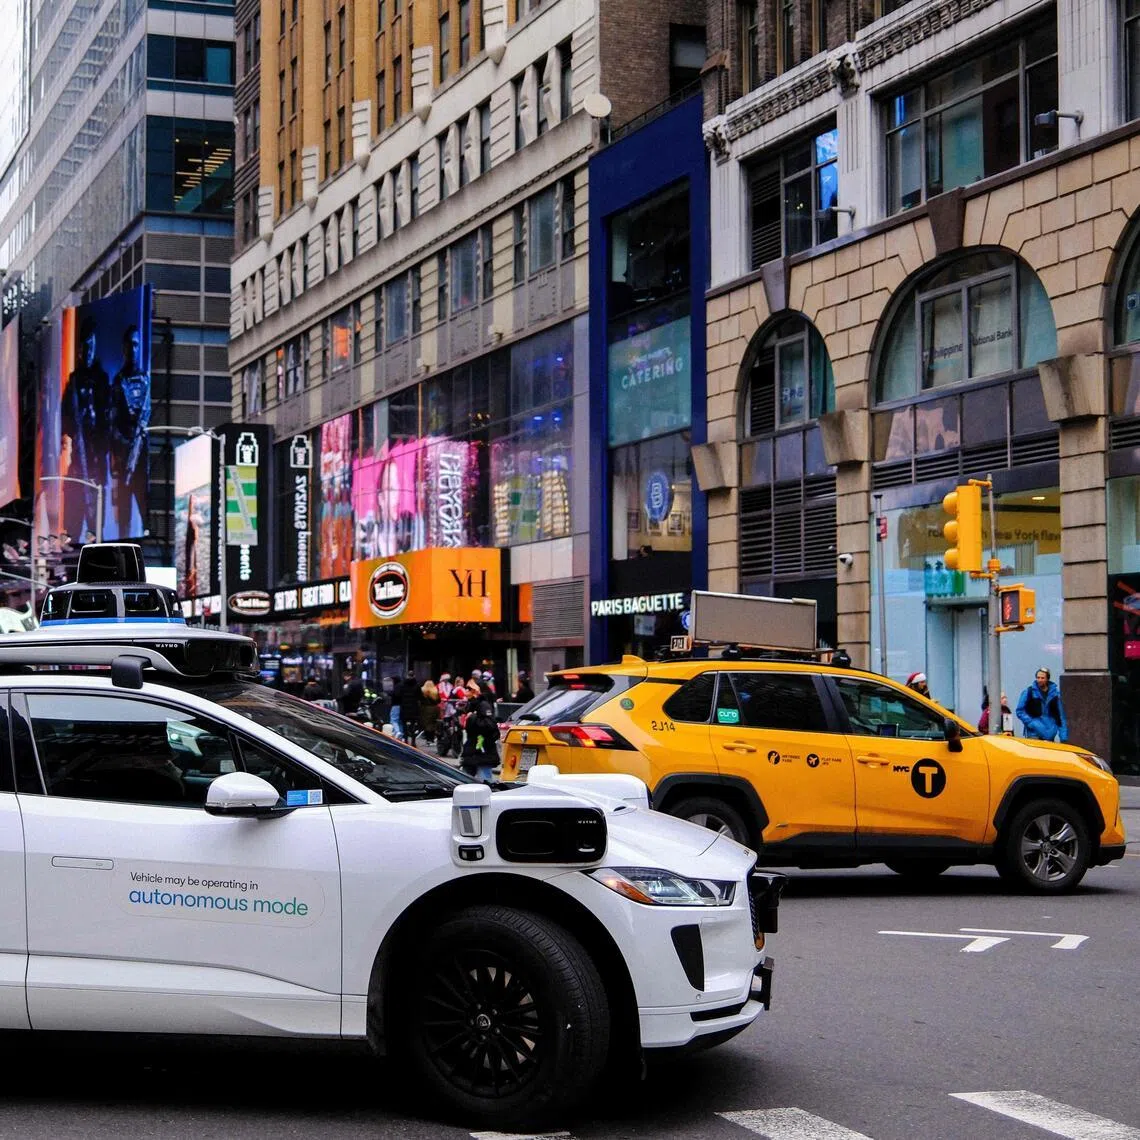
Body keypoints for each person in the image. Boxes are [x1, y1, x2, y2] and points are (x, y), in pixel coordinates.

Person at [60, 315, 111, 543]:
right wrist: (71, 431)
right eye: (85, 347)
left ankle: (94, 539)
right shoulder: (74, 380)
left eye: (92, 346)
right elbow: (64, 414)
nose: (88, 352)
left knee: (96, 517)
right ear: (80, 350)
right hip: (79, 455)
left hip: (96, 455)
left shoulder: (102, 379)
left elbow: (108, 415)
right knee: (74, 508)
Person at [108, 323, 150, 540]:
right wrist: (123, 447)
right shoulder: (118, 381)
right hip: (123, 454)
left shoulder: (145, 380)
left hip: (140, 453)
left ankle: (144, 541)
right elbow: (112, 421)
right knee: (122, 514)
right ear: (124, 348)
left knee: (144, 504)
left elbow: (147, 415)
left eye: (136, 345)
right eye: (130, 345)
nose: (133, 349)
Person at [461, 685, 500, 782]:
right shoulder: (472, 704)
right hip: (473, 749)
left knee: (484, 781)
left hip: (483, 750)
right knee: (464, 781)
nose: (466, 692)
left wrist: (471, 718)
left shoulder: (483, 705)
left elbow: (490, 726)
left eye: (469, 690)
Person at [1016, 668, 1068, 742]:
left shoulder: (1055, 695)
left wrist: (1063, 737)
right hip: (1034, 733)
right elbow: (1019, 711)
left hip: (1050, 733)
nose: (1039, 680)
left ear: (1047, 679)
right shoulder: (1029, 692)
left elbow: (1061, 716)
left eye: (1042, 678)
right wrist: (1031, 723)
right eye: (1038, 678)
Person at [397, 671, 423, 745]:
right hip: (414, 708)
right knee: (413, 725)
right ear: (414, 676)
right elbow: (420, 696)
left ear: (407, 676)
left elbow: (398, 695)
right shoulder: (417, 685)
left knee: (404, 725)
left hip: (404, 707)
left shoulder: (402, 685)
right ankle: (413, 741)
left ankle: (405, 741)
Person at [420, 677, 441, 743]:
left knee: (427, 724)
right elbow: (439, 700)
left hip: (425, 709)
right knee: (433, 723)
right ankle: (432, 739)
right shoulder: (435, 691)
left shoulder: (422, 692)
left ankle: (428, 739)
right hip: (435, 708)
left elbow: (420, 700)